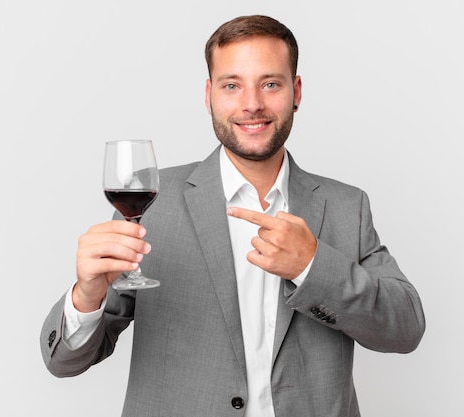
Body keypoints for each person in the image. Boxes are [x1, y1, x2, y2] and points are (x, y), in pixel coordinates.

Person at [40, 15, 425, 417]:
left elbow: (405, 329)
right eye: (232, 85)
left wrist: (313, 266)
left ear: (296, 91)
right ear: (209, 95)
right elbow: (65, 361)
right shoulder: (153, 202)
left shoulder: (348, 205)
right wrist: (87, 294)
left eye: (270, 84)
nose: (252, 104)